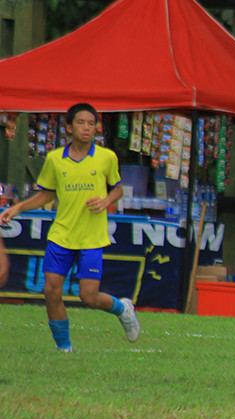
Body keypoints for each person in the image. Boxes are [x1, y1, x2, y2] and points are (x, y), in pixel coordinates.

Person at [0, 103, 140, 351]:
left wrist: (106, 200)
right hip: (61, 234)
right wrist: (17, 208)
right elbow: (46, 195)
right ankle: (64, 349)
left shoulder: (106, 157)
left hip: (92, 238)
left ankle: (123, 309)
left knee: (89, 297)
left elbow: (117, 189)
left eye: (91, 123)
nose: (87, 128)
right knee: (51, 290)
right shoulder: (55, 159)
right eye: (81, 122)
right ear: (68, 127)